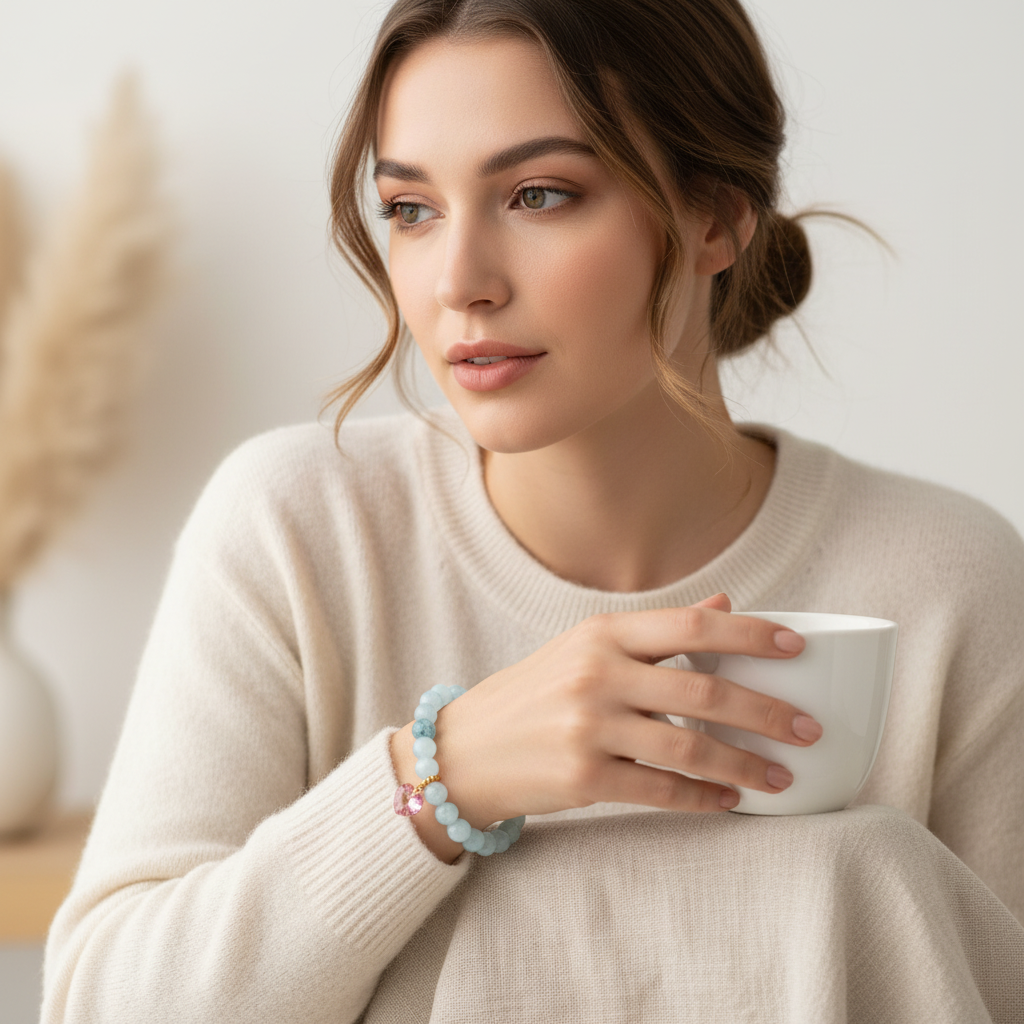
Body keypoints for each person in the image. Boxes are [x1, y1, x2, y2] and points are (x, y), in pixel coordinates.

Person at [41, 0, 1024, 1021]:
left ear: (718, 216)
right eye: (412, 209)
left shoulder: (944, 579)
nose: (459, 281)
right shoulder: (298, 528)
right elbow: (102, 1004)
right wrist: (442, 778)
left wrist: (854, 883)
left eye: (538, 195)